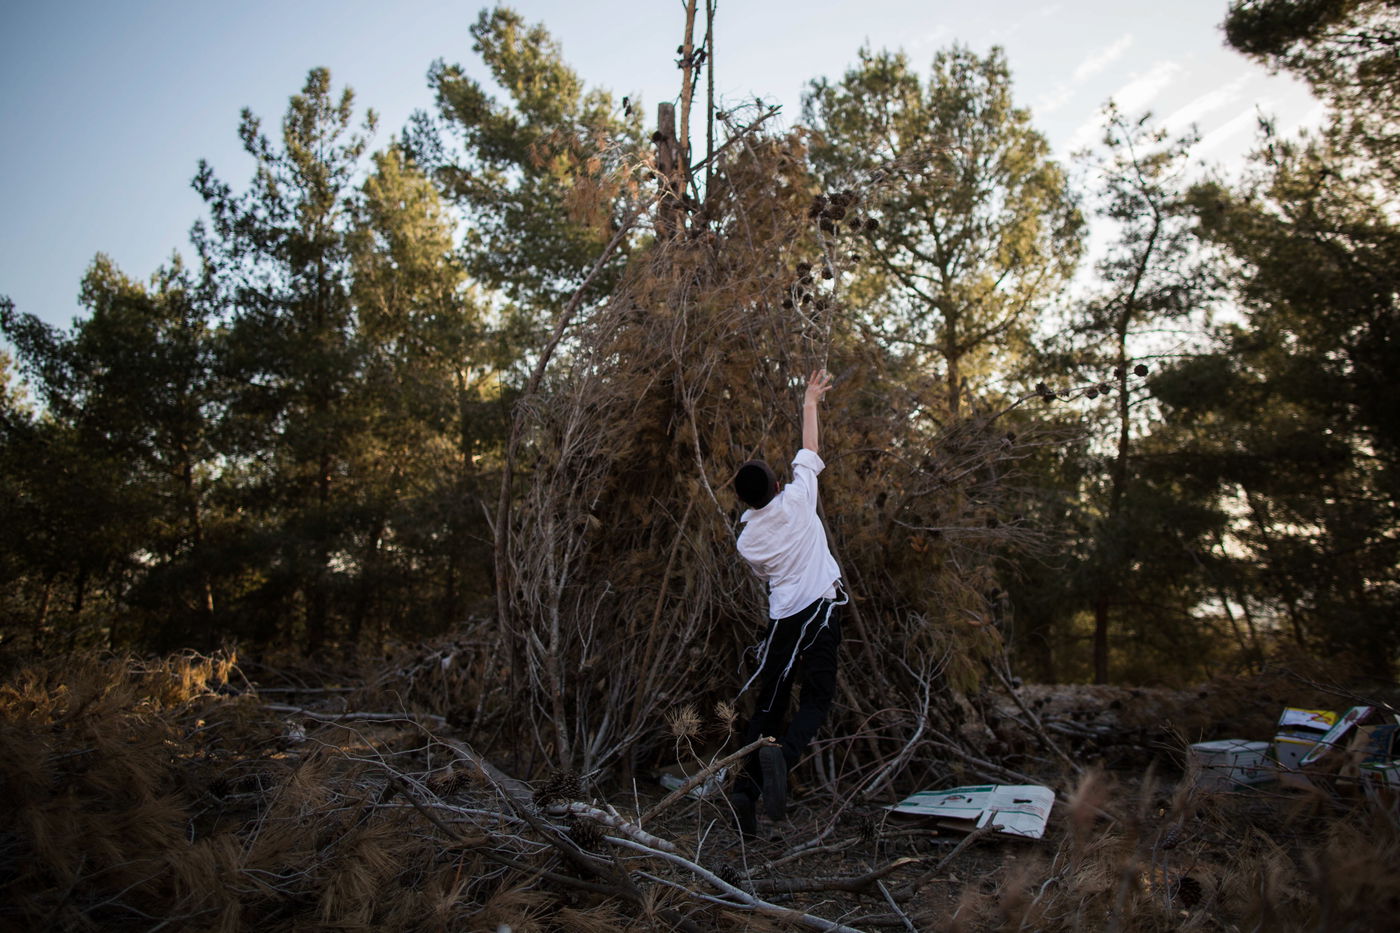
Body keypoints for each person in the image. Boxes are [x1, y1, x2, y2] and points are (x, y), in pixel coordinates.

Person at [730, 369, 845, 837]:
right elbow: (810, 452)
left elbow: (765, 575)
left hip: (782, 622)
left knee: (767, 708)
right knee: (817, 700)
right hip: (821, 611)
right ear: (777, 486)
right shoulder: (799, 498)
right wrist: (810, 401)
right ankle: (785, 757)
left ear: (745, 499)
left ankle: (744, 791)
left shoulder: (747, 541)